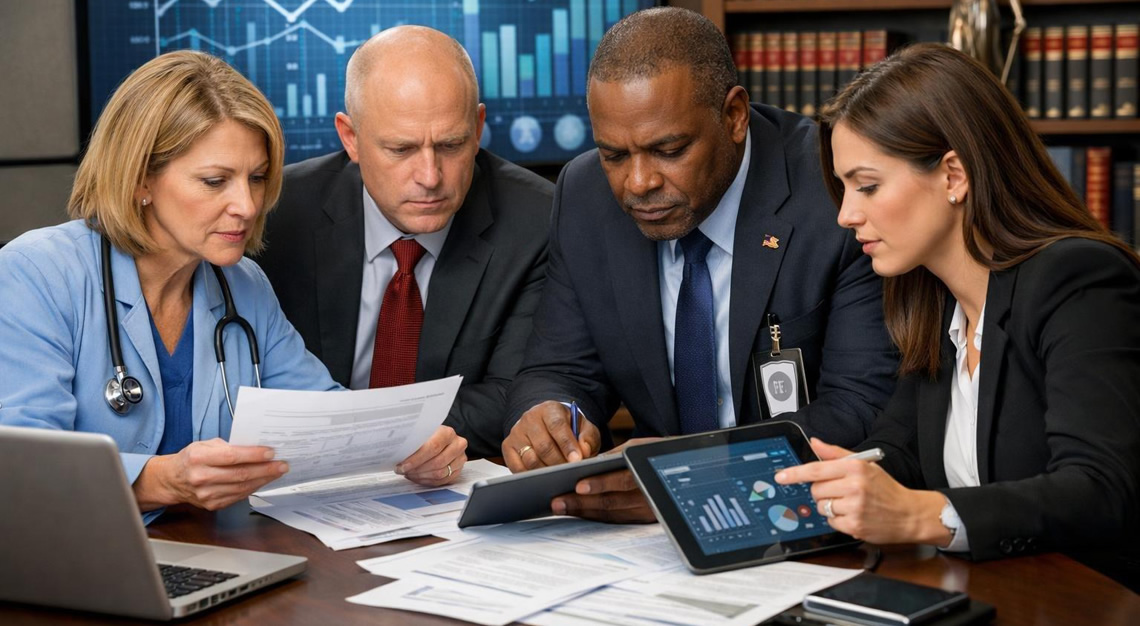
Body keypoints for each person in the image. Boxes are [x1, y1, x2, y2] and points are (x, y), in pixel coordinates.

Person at [0, 51, 466, 523]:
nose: (246, 205)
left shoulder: (241, 285)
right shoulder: (36, 275)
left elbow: (324, 412)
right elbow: (22, 468)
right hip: (81, 565)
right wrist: (158, 481)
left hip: (216, 555)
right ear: (141, 178)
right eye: (215, 181)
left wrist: (411, 441)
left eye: (257, 178)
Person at [503, 7, 898, 522]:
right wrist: (550, 417)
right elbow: (560, 368)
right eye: (614, 155)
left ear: (734, 117)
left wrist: (688, 479)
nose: (638, 182)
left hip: (807, 518)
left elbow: (860, 409)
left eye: (668, 149)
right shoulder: (583, 196)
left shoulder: (831, 190)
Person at [775, 43, 1140, 589]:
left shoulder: (1079, 279)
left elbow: (1100, 490)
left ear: (953, 175)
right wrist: (829, 482)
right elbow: (897, 455)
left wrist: (920, 515)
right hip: (994, 597)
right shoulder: (933, 307)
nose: (847, 215)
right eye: (844, 188)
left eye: (867, 186)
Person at [257, 26, 553, 459]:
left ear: (477, 128)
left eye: (451, 145)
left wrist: (365, 436)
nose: (430, 177)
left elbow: (513, 396)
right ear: (350, 138)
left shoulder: (536, 220)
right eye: (401, 149)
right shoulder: (277, 215)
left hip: (448, 483)